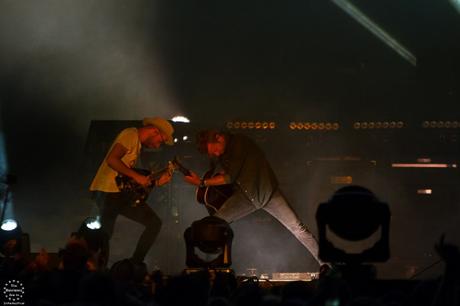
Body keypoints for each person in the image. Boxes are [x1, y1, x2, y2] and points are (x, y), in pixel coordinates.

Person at [183, 129, 326, 268]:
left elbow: (229, 177)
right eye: (212, 153)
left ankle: (326, 264)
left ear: (219, 138)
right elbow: (227, 173)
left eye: (214, 149)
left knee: (298, 228)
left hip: (267, 192)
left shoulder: (239, 143)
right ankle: (209, 266)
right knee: (214, 224)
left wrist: (202, 182)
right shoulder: (224, 153)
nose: (215, 153)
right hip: (246, 195)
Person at [89, 117, 174, 265]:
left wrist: (157, 181)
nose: (157, 145)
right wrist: (137, 176)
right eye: (160, 140)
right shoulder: (130, 134)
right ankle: (93, 268)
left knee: (154, 223)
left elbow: (131, 178)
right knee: (104, 235)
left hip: (118, 193)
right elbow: (112, 159)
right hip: (107, 191)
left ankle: (135, 263)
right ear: (154, 131)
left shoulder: (137, 145)